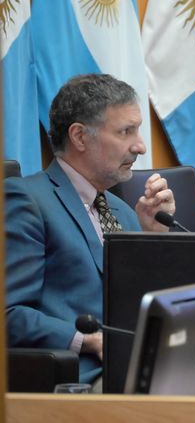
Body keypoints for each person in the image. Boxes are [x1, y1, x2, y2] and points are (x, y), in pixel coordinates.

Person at [5, 74, 176, 384]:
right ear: (80, 137)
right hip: (79, 378)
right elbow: (9, 313)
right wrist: (89, 340)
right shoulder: (26, 200)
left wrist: (151, 240)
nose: (139, 146)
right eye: (126, 131)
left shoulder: (125, 212)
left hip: (136, 371)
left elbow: (136, 304)